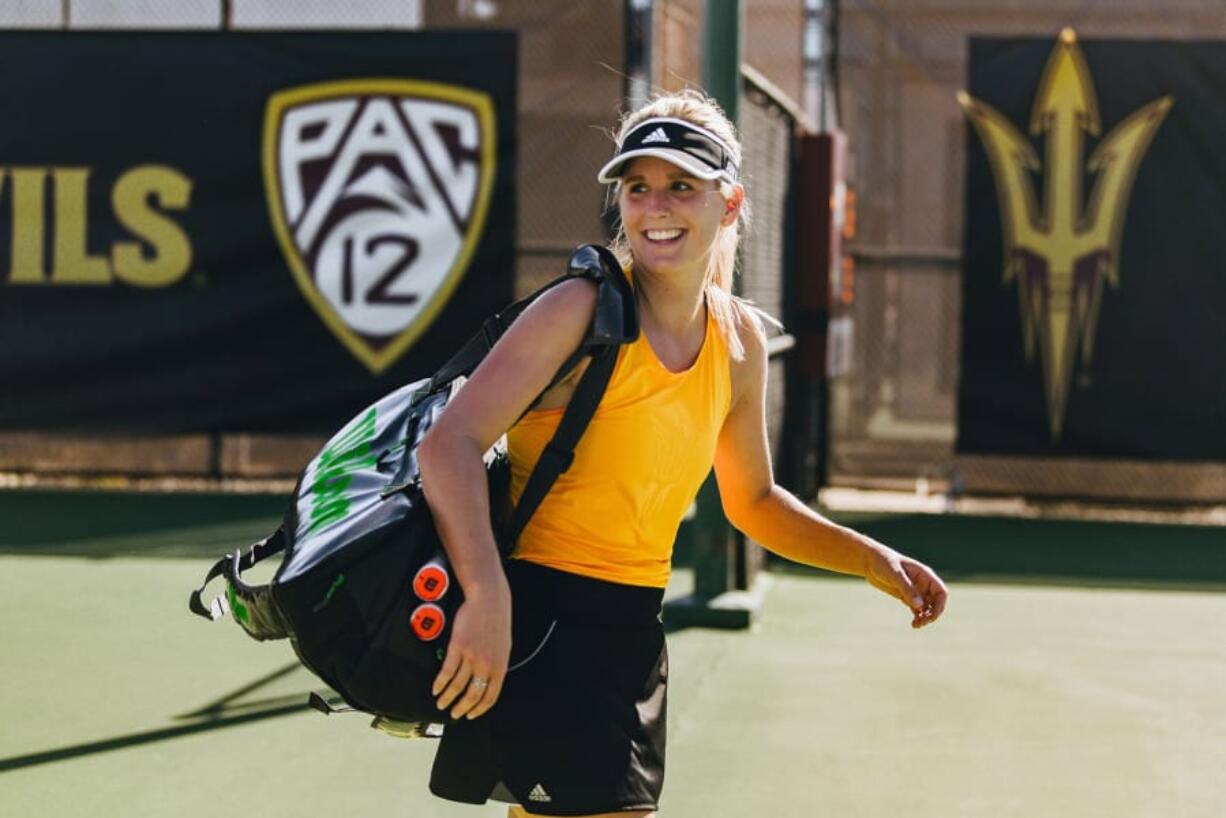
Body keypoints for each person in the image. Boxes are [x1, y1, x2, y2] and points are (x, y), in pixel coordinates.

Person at [417, 89, 948, 818]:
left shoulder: (739, 344)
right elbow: (450, 441)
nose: (655, 207)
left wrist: (866, 557)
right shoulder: (578, 309)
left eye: (681, 187)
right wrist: (485, 594)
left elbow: (752, 501)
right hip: (541, 616)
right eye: (638, 188)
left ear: (728, 205)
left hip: (633, 629)